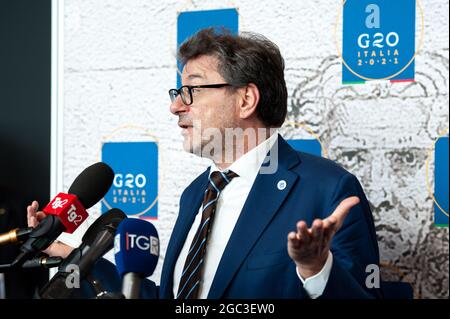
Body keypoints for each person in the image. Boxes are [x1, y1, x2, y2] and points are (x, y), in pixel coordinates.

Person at [28, 28, 381, 299]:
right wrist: (73, 254)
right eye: (177, 93)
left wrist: (316, 268)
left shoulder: (327, 188)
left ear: (246, 99)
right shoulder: (196, 193)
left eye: (192, 91)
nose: (176, 106)